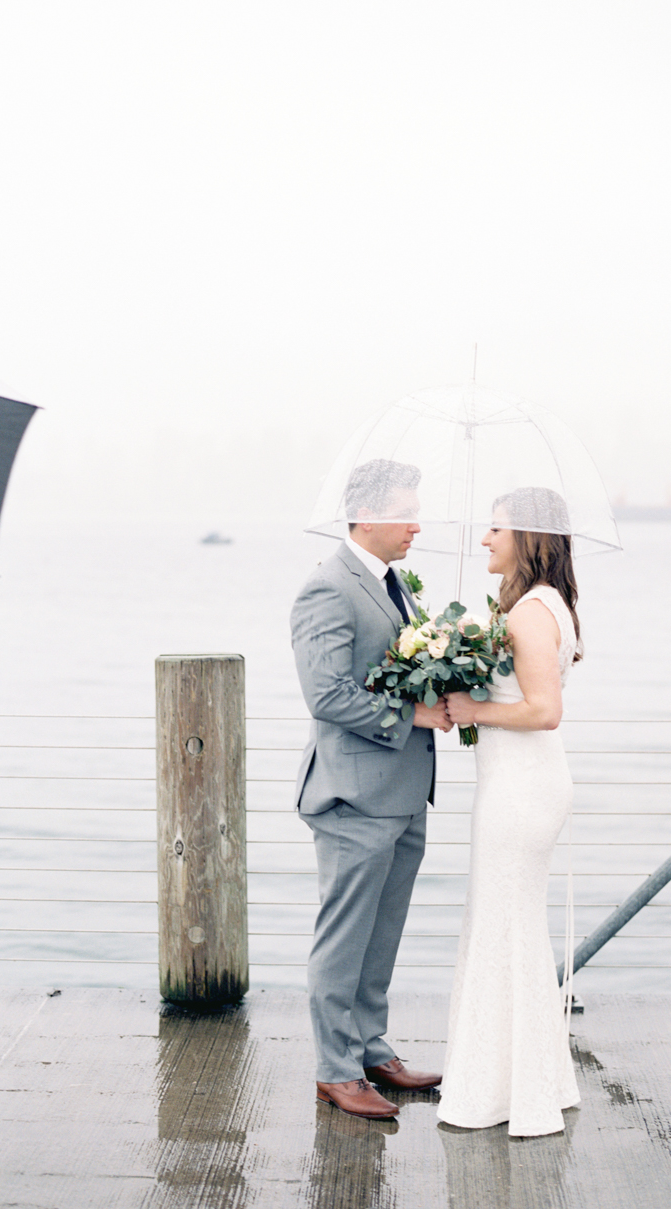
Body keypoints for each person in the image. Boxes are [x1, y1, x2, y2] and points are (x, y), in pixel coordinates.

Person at [291, 458, 452, 1121]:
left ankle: (371, 1048)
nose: (417, 523)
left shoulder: (394, 583)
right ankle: (335, 1069)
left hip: (405, 792)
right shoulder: (327, 587)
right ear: (366, 514)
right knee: (344, 937)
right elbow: (326, 694)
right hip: (354, 795)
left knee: (381, 935)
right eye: (407, 510)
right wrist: (411, 714)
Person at [437, 485, 582, 1136]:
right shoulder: (545, 604)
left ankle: (510, 1092)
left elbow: (544, 711)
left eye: (495, 529)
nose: (486, 540)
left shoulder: (529, 612)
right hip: (519, 784)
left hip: (520, 789)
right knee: (510, 924)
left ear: (528, 538)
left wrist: (473, 709)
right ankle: (528, 1079)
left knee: (508, 927)